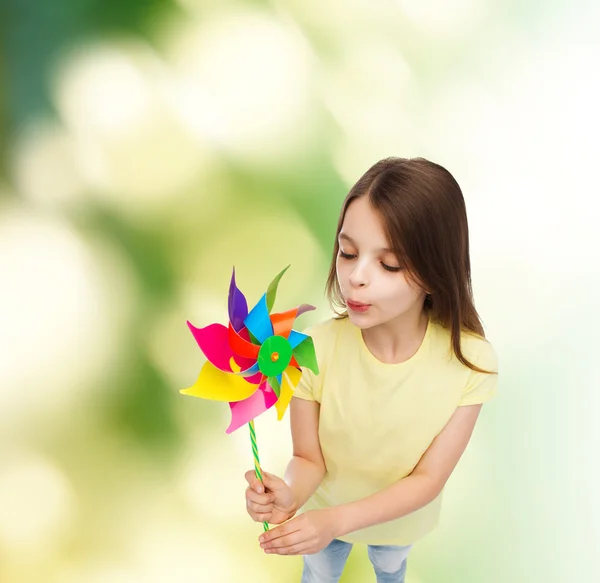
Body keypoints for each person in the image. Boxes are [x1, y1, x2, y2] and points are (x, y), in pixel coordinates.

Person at [244, 157, 499, 583]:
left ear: (436, 272)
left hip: (399, 518)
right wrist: (287, 496)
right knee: (320, 572)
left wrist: (336, 522)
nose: (356, 277)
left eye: (389, 264)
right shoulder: (311, 350)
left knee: (390, 562)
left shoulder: (470, 363)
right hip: (324, 509)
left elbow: (428, 479)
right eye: (347, 253)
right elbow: (309, 458)